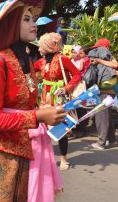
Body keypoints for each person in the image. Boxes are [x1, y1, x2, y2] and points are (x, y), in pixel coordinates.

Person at [0, 0, 65, 201]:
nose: (34, 24)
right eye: (26, 19)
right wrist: (37, 117)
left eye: (33, 19)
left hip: (27, 147)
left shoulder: (26, 61)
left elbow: (26, 104)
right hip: (1, 150)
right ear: (10, 24)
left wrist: (46, 111)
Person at [34, 32, 81, 170]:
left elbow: (76, 75)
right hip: (44, 98)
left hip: (59, 97)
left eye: (40, 46)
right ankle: (45, 157)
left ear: (48, 46)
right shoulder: (40, 62)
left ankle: (64, 158)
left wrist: (66, 89)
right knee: (42, 129)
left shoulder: (62, 59)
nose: (38, 49)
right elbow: (30, 73)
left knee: (60, 129)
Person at [88, 38, 118, 150]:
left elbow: (116, 65)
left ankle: (101, 143)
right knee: (107, 117)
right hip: (108, 91)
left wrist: (99, 61)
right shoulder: (105, 56)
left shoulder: (100, 56)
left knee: (101, 116)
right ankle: (112, 140)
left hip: (104, 91)